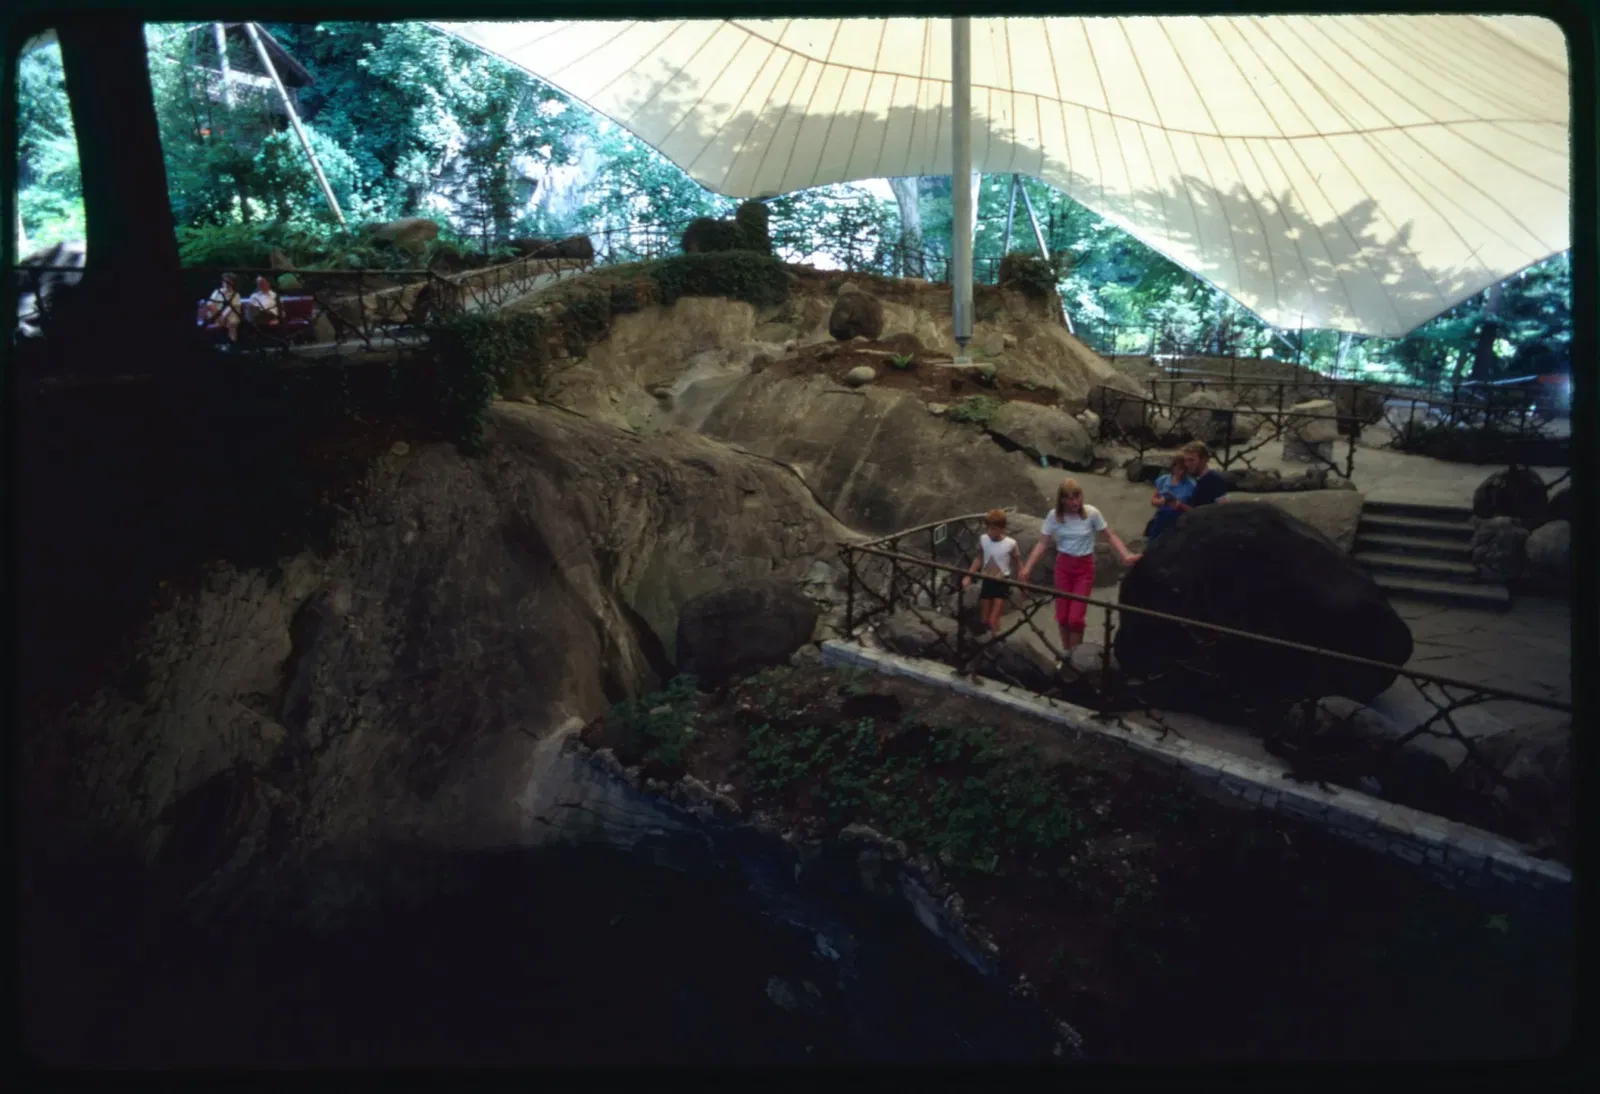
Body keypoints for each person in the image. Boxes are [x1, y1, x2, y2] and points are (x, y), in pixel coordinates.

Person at [1021, 478, 1141, 652]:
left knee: (1075, 618)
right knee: (1062, 616)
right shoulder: (1055, 516)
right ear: (1062, 499)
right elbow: (1042, 543)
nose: (1075, 502)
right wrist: (1027, 567)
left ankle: (1075, 653)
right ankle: (1066, 652)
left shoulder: (1091, 513)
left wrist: (1125, 554)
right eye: (1069, 498)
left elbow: (1109, 535)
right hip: (1063, 566)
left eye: (1077, 497)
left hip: (1083, 569)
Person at [961, 509, 1023, 635]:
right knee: (984, 618)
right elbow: (979, 558)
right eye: (988, 528)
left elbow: (1018, 563)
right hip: (987, 579)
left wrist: (1022, 580)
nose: (990, 532)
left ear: (1002, 528)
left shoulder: (1011, 543)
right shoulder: (984, 539)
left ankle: (995, 639)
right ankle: (988, 640)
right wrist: (968, 576)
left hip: (1002, 581)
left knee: (993, 618)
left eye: (994, 529)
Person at [1144, 452, 1196, 542]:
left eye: (1184, 469)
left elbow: (1194, 510)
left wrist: (1180, 505)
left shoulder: (1191, 485)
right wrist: (1160, 502)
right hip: (1162, 516)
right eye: (1179, 469)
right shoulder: (1163, 480)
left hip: (1180, 518)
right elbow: (1153, 500)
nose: (1181, 472)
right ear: (1173, 467)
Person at [1181, 440, 1231, 508]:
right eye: (1185, 460)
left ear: (1204, 459)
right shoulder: (1197, 479)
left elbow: (1223, 509)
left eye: (1191, 460)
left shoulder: (1214, 480)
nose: (1187, 464)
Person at [203, 272, 243, 342]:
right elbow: (210, 303)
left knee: (232, 323)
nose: (226, 283)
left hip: (231, 315)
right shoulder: (217, 291)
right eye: (225, 281)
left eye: (228, 282)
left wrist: (222, 318)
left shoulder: (236, 294)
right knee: (210, 308)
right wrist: (218, 316)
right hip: (216, 314)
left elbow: (231, 308)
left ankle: (232, 342)